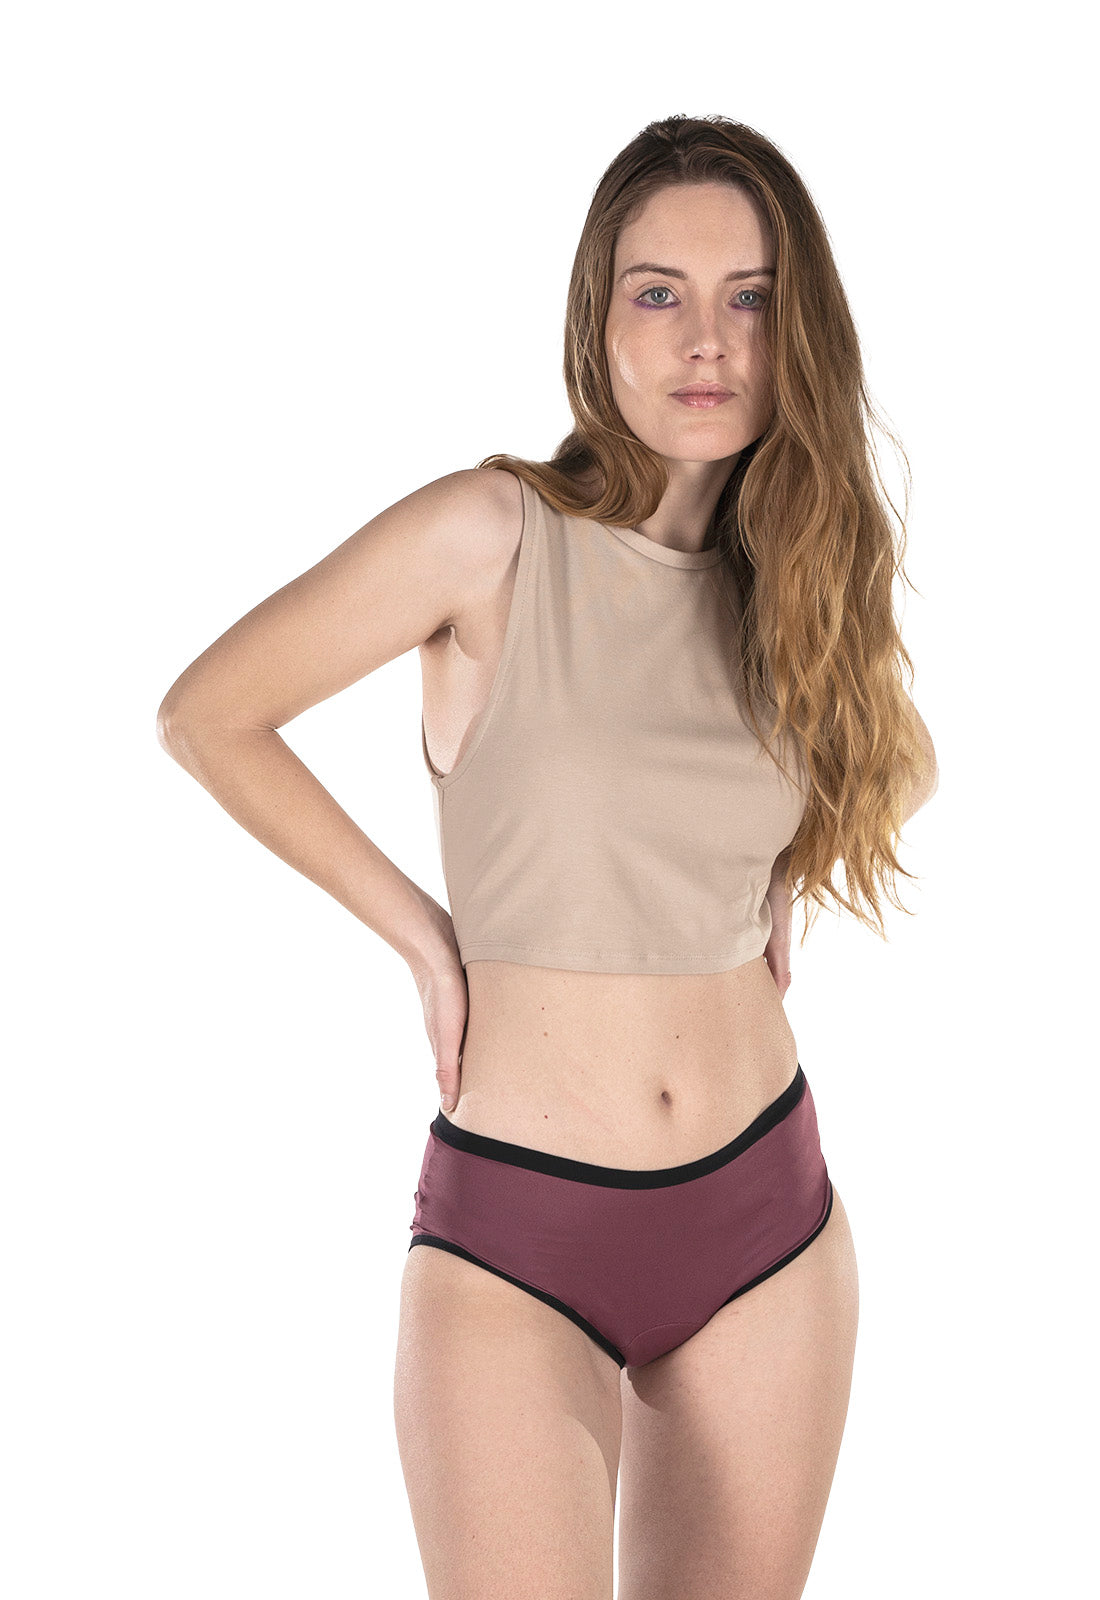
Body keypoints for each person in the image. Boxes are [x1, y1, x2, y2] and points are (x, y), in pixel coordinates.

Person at [157, 113, 938, 1600]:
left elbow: (857, 764)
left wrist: (774, 877)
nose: (707, 339)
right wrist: (424, 937)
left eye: (751, 297)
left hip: (768, 1218)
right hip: (519, 1235)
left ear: (799, 330)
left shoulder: (794, 582)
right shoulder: (493, 535)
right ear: (597, 318)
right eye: (659, 293)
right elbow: (209, 716)